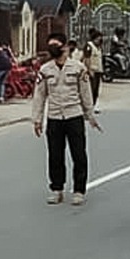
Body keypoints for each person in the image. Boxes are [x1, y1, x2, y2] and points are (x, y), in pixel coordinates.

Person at [31, 32, 100, 206]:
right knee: (55, 155)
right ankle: (57, 189)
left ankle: (79, 190)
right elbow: (39, 96)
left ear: (65, 47)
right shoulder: (45, 70)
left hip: (74, 115)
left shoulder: (78, 68)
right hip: (54, 117)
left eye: (55, 45)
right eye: (50, 46)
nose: (52, 49)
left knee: (78, 154)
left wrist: (90, 115)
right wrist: (37, 119)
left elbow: (86, 93)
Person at [85, 29, 104, 108]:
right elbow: (87, 59)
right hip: (92, 71)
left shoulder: (99, 47)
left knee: (96, 90)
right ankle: (89, 105)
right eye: (98, 39)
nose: (99, 40)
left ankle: (94, 105)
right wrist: (89, 70)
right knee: (91, 90)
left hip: (98, 71)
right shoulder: (89, 46)